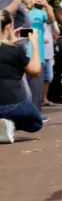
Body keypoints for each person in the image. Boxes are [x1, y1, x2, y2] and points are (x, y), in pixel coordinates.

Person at [0, 10, 43, 143]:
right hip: (13, 104)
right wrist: (34, 44)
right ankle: (8, 124)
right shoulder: (15, 50)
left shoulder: (12, 49)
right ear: (8, 27)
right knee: (36, 123)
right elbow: (35, 70)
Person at [23, 0, 55, 115]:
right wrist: (31, 33)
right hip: (21, 55)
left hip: (38, 55)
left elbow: (51, 20)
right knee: (23, 89)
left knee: (37, 89)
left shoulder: (40, 13)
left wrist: (47, 5)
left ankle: (35, 114)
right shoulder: (17, 13)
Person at [42, 19, 59, 106]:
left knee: (48, 77)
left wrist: (52, 23)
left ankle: (44, 99)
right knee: (37, 78)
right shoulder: (33, 17)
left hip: (49, 53)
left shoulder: (51, 21)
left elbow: (56, 35)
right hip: (37, 53)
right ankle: (36, 99)